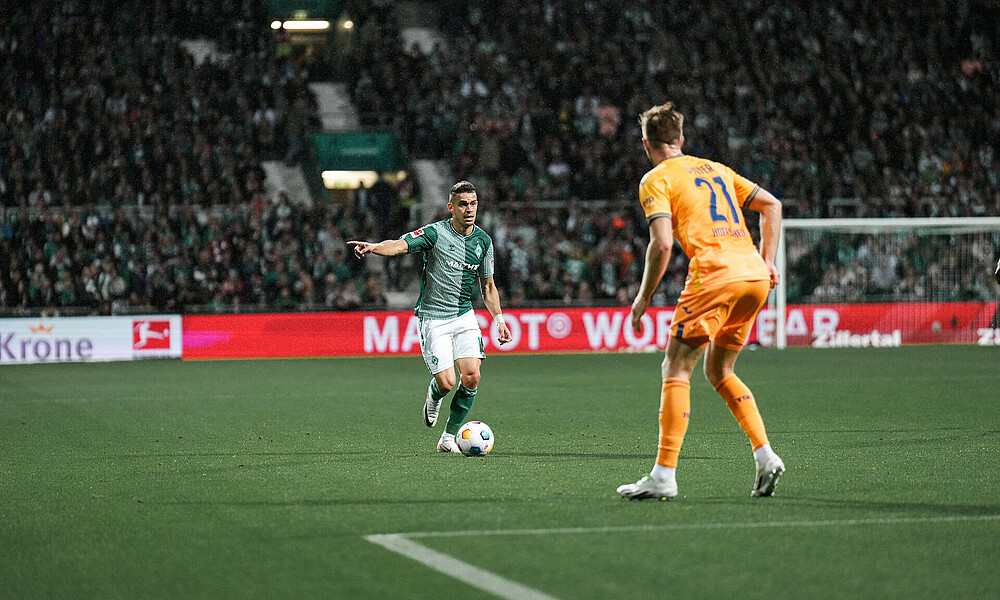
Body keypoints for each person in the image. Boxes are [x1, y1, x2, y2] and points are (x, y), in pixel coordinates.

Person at [617, 102, 785, 500]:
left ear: (646, 145)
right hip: (753, 278)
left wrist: (642, 299)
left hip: (714, 276)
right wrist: (767, 261)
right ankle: (765, 457)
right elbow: (772, 205)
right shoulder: (716, 168)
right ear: (681, 141)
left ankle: (663, 475)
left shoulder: (656, 179)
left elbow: (661, 243)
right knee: (720, 370)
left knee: (675, 368)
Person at [349, 181, 513, 452]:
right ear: (451, 207)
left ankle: (448, 437)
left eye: (473, 204)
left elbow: (487, 286)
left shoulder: (483, 241)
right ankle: (434, 394)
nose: (469, 209)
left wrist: (499, 320)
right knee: (447, 382)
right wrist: (375, 247)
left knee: (471, 376)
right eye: (463, 204)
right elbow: (401, 245)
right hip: (433, 317)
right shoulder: (435, 233)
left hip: (464, 315)